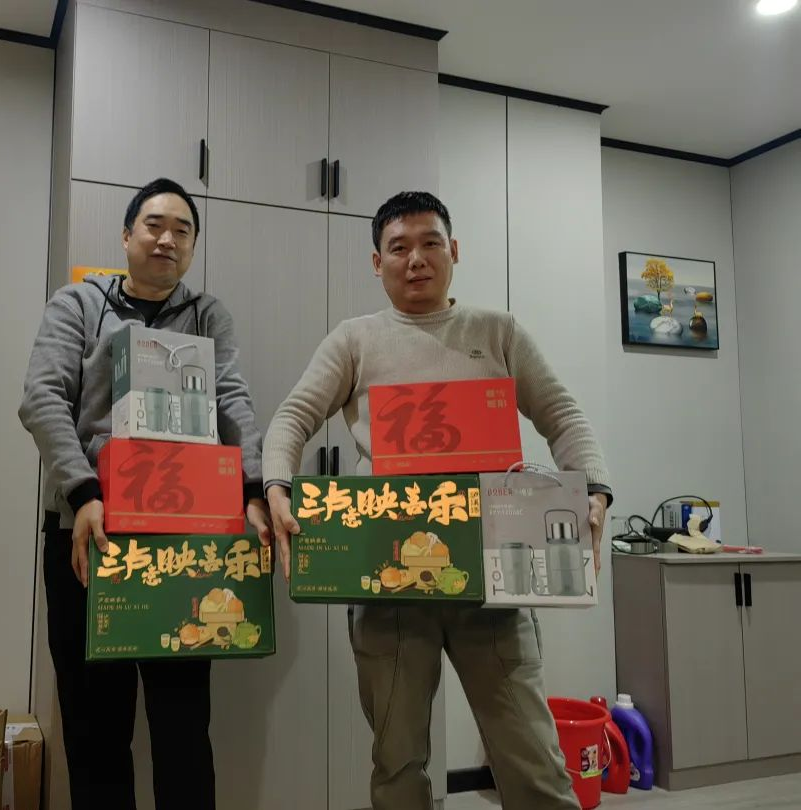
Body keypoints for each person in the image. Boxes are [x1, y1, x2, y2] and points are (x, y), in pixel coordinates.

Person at [262, 191, 612, 810]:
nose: (416, 259)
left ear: (454, 250)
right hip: (388, 578)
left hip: (492, 573)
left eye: (430, 243)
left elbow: (562, 414)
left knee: (532, 759)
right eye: (398, 248)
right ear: (378, 263)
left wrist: (595, 489)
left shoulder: (498, 331)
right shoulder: (354, 339)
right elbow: (293, 416)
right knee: (397, 761)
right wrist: (277, 485)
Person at [19, 177, 271, 810]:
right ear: (127, 234)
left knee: (183, 725)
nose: (167, 240)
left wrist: (253, 485)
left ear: (193, 247)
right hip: (89, 531)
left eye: (182, 231)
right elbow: (42, 399)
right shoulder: (78, 304)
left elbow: (232, 399)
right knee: (94, 725)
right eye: (154, 226)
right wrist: (84, 492)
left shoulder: (207, 314)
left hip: (183, 536)